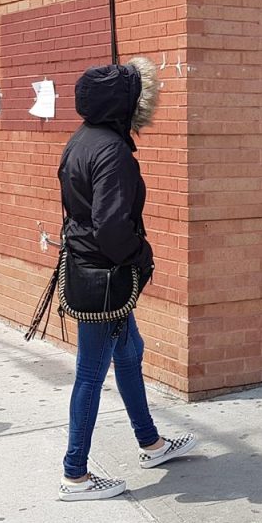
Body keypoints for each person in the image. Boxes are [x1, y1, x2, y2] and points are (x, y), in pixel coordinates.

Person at [58, 58, 196, 500]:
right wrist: (141, 256)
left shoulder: (81, 140)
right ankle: (75, 474)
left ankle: (151, 442)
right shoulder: (112, 151)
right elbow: (111, 226)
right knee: (90, 374)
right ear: (123, 104)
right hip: (105, 275)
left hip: (91, 268)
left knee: (131, 353)